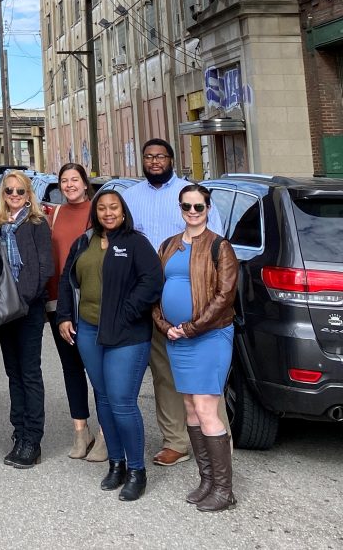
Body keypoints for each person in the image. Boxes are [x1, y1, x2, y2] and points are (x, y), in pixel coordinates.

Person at [120, 138, 227, 467]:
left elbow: (217, 247)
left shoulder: (191, 195)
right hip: (150, 300)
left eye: (160, 156)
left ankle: (217, 439)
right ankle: (176, 442)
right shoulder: (130, 197)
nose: (154, 161)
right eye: (148, 156)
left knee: (204, 377)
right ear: (142, 160)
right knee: (166, 374)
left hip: (195, 300)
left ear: (171, 159)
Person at [56, 190, 163, 501]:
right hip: (88, 330)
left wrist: (127, 311)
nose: (107, 212)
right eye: (101, 208)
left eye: (113, 207)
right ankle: (116, 463)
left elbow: (153, 281)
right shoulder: (84, 241)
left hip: (127, 334)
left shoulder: (135, 243)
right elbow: (67, 280)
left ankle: (137, 470)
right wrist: (65, 315)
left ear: (123, 210)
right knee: (102, 397)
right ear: (95, 212)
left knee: (122, 400)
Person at [153, 184, 239, 512]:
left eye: (198, 207)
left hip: (210, 337)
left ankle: (224, 489)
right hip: (177, 338)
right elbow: (155, 291)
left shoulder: (221, 247)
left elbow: (224, 296)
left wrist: (190, 327)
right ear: (180, 208)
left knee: (206, 408)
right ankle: (207, 480)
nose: (192, 212)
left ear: (207, 208)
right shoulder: (169, 246)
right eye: (186, 207)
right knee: (189, 406)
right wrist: (166, 326)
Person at [44, 163, 107, 461]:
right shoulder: (54, 214)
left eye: (74, 180)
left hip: (92, 304)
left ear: (85, 183)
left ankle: (107, 433)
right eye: (64, 181)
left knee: (98, 370)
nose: (69, 185)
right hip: (59, 304)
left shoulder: (99, 211)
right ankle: (81, 432)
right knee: (72, 369)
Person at [0, 170, 53, 469]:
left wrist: (23, 300)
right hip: (5, 312)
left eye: (20, 191)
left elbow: (45, 268)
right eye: (9, 191)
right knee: (13, 373)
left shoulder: (37, 225)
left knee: (29, 373)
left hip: (27, 310)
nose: (14, 196)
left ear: (29, 194)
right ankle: (19, 432)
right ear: (3, 194)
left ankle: (33, 438)